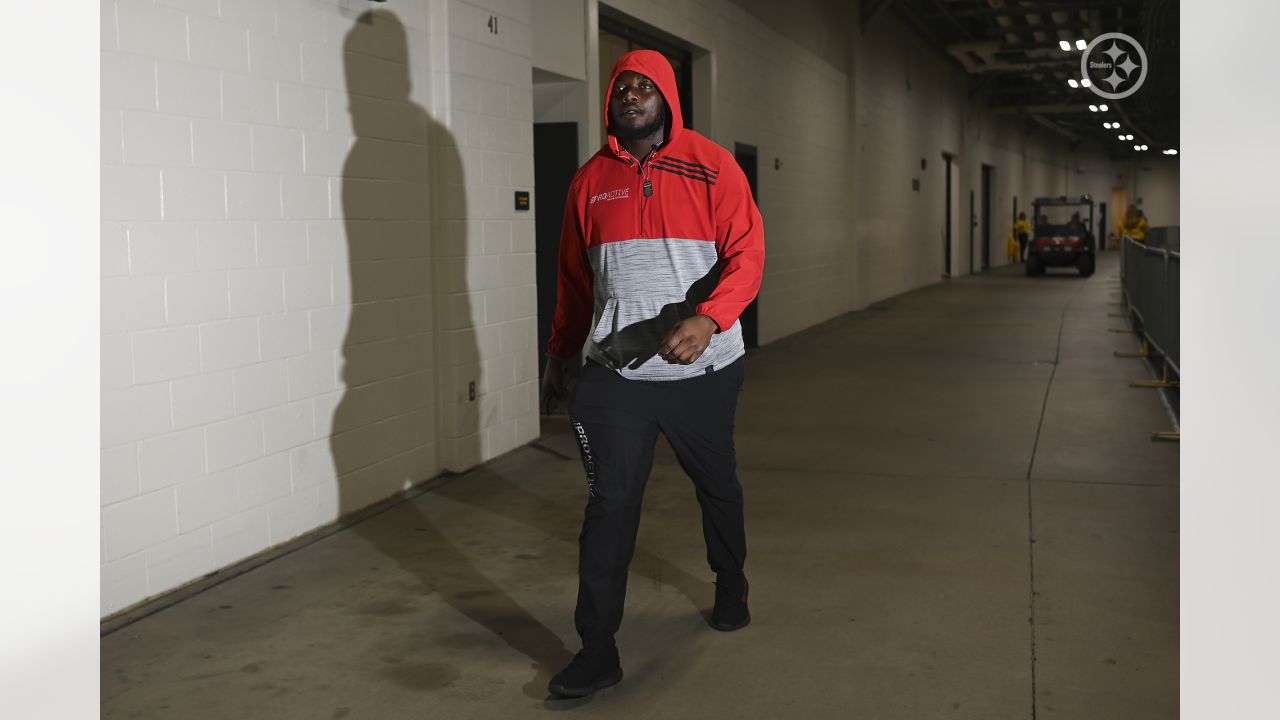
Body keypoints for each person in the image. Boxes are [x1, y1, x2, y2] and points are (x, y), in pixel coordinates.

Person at [540, 49, 765, 698]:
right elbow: (574, 281)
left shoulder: (713, 166)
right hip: (616, 376)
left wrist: (712, 319)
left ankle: (731, 581)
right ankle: (598, 650)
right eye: (621, 87)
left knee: (717, 485)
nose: (631, 94)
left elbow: (748, 254)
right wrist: (560, 353)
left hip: (705, 373)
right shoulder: (590, 181)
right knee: (609, 505)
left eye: (644, 86)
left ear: (667, 95)